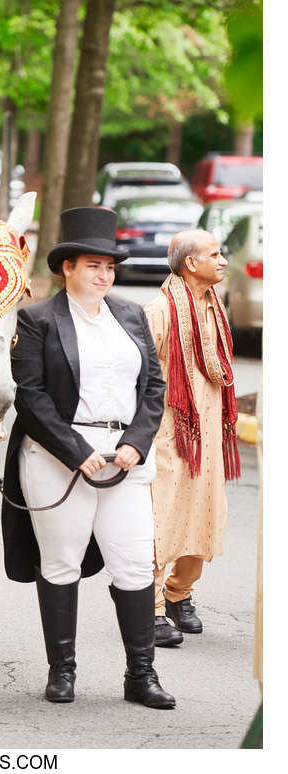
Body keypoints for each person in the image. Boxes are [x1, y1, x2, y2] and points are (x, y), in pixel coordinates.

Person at [1, 207, 175, 709]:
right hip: (59, 457)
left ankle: (141, 676)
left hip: (127, 458)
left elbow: (153, 388)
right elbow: (30, 397)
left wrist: (136, 444)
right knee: (61, 561)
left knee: (135, 562)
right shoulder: (36, 321)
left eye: (110, 267)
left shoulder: (131, 315)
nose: (104, 274)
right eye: (94, 265)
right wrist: (78, 453)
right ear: (67, 268)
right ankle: (63, 671)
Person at [145, 230, 240, 647]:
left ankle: (180, 593)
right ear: (190, 264)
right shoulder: (160, 309)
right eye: (215, 255)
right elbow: (143, 375)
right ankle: (149, 608)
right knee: (161, 518)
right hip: (170, 433)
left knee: (204, 514)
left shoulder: (214, 307)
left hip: (209, 433)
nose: (223, 261)